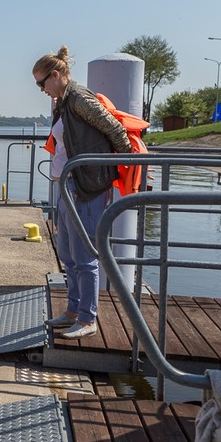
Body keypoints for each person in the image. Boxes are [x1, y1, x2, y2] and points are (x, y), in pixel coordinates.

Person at [33, 46, 131, 339]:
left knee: (86, 254)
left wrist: (119, 165)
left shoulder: (79, 98)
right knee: (67, 252)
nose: (40, 89)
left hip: (87, 186)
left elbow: (115, 130)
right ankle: (73, 310)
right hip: (68, 185)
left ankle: (88, 318)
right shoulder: (62, 102)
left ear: (56, 75)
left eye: (41, 83)